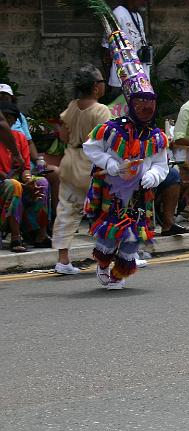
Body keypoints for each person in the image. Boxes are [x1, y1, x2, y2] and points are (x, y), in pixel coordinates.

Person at [82, 4, 167, 290]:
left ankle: (120, 272)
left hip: (140, 193)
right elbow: (90, 148)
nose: (146, 108)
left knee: (132, 237)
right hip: (113, 190)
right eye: (141, 103)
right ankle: (103, 265)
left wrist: (152, 176)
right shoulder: (112, 128)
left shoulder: (156, 136)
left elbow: (161, 164)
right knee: (108, 236)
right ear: (131, 103)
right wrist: (111, 164)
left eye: (150, 103)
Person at [52, 65, 112, 274]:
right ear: (96, 87)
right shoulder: (101, 110)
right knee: (108, 209)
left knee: (67, 210)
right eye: (102, 82)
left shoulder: (72, 106)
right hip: (90, 162)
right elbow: (107, 141)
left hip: (69, 159)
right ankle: (118, 255)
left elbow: (63, 136)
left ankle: (63, 260)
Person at [0, 102, 50, 253]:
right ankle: (16, 237)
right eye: (9, 118)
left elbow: (25, 168)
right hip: (5, 181)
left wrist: (28, 179)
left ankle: (40, 234)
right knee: (14, 185)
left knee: (42, 182)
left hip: (16, 179)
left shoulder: (20, 138)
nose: (12, 122)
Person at [104, 0, 150, 93]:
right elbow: (106, 47)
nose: (145, 2)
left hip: (139, 77)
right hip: (123, 77)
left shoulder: (138, 16)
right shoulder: (118, 13)